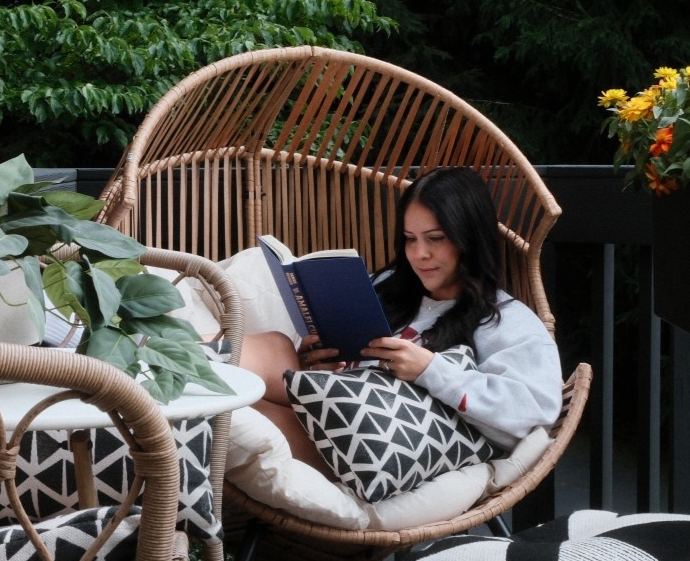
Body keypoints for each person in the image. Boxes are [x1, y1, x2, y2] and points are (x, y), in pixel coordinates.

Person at [240, 166, 563, 476]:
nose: (419, 253)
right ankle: (206, 373)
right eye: (410, 238)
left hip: (373, 445)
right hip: (330, 405)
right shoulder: (385, 286)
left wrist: (430, 370)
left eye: (435, 238)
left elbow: (535, 414)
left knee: (231, 415)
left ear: (470, 238)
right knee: (268, 358)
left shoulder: (507, 321)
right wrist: (313, 362)